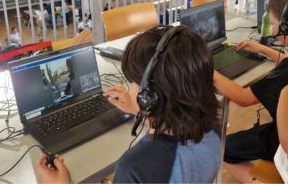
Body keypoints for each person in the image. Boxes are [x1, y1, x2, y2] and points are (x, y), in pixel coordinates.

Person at [36, 25, 221, 184]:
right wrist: (138, 110)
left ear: (150, 96)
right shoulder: (213, 126)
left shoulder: (136, 165)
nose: (130, 87)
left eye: (132, 82)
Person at [213, 0, 288, 184]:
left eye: (274, 24)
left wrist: (208, 70)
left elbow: (243, 98)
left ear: (287, 27)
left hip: (284, 140)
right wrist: (264, 50)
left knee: (220, 148)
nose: (273, 29)